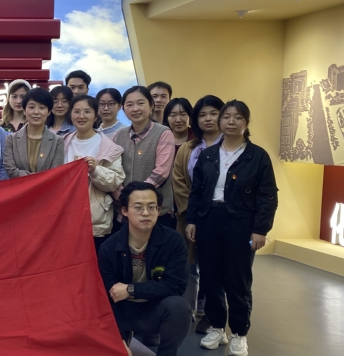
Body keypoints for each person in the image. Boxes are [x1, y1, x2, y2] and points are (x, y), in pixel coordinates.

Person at [186, 101, 278, 356]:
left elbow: (267, 196)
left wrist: (260, 229)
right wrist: (192, 219)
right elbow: (197, 191)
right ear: (220, 122)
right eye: (226, 117)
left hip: (240, 223)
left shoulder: (257, 156)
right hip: (209, 219)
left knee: (238, 279)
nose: (231, 121)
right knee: (210, 276)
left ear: (246, 123)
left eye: (238, 117)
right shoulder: (208, 154)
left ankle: (239, 332)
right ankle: (217, 327)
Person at [98, 182, 191, 356]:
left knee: (179, 307)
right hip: (122, 311)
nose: (146, 213)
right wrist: (118, 339)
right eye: (138, 207)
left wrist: (131, 289)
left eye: (151, 207)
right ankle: (124, 338)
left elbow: (175, 285)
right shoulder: (109, 248)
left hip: (153, 310)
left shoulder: (173, 241)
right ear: (124, 210)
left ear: (159, 210)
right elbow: (107, 298)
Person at [172, 95, 224, 328]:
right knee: (189, 265)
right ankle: (188, 311)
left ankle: (212, 313)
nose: (208, 119)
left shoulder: (233, 147)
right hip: (191, 217)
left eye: (213, 113)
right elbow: (179, 181)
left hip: (222, 217)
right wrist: (191, 212)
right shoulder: (188, 148)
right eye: (202, 115)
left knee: (215, 267)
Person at [63, 95, 125, 253]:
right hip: (65, 216)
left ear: (95, 116)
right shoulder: (62, 143)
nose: (81, 116)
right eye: (77, 111)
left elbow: (115, 181)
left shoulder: (109, 147)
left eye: (87, 111)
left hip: (95, 219)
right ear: (71, 114)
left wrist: (95, 170)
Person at [113, 86, 176, 230]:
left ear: (151, 105)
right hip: (125, 212)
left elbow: (161, 172)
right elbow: (111, 169)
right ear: (123, 109)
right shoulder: (118, 135)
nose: (135, 109)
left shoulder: (163, 133)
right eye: (129, 104)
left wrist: (134, 197)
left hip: (156, 212)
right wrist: (121, 195)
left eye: (141, 103)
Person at [3, 87, 64, 178]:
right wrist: (37, 178)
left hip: (47, 187)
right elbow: (11, 170)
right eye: (31, 107)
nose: (36, 112)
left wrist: (32, 178)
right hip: (20, 187)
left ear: (49, 112)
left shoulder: (57, 141)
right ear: (24, 111)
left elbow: (55, 173)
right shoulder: (11, 139)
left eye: (42, 108)